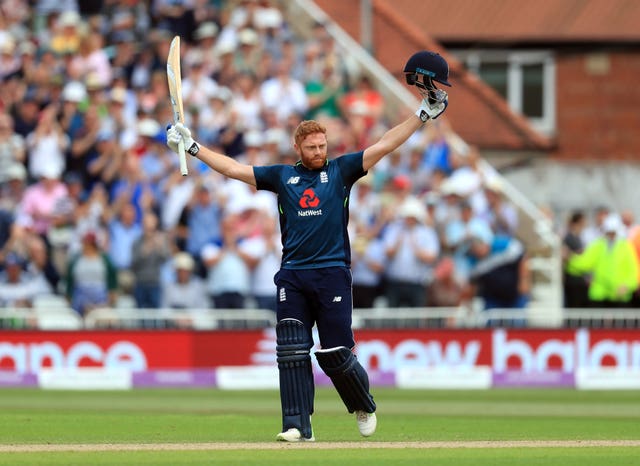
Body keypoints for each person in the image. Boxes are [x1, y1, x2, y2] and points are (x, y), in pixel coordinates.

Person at [166, 50, 450, 442]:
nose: (320, 152)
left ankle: (363, 404)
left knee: (335, 354)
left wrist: (421, 115)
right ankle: (298, 425)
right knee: (290, 351)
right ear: (297, 148)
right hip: (293, 275)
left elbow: (385, 145)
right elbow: (233, 169)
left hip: (332, 273)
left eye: (323, 146)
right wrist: (193, 146)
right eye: (312, 147)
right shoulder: (281, 177)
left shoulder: (342, 171)